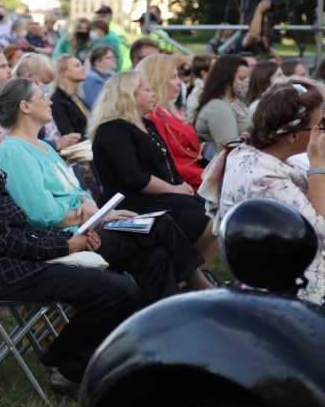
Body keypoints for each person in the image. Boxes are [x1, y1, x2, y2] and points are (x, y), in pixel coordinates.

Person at [0, 93, 139, 396]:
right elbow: (4, 240)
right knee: (119, 290)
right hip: (2, 276)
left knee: (120, 283)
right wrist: (68, 247)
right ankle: (66, 364)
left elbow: (20, 228)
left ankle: (65, 357)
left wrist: (70, 240)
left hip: (14, 265)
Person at [0, 77, 211, 305]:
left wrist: (90, 208)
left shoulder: (44, 146)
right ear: (25, 106)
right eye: (42, 97)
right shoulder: (13, 151)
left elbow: (77, 192)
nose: (49, 103)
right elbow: (41, 212)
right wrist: (97, 216)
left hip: (87, 228)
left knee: (155, 257)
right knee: (159, 224)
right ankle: (201, 287)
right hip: (65, 241)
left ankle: (161, 321)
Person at [202, 82, 325, 304]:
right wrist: (318, 166)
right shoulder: (264, 179)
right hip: (294, 288)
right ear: (293, 137)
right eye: (321, 124)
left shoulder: (247, 151)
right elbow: (317, 234)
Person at [90, 71, 219, 263]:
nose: (154, 95)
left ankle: (188, 278)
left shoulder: (147, 124)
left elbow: (167, 163)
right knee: (209, 222)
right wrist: (174, 189)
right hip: (133, 202)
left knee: (216, 212)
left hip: (161, 196)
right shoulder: (113, 130)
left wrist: (180, 185)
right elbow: (134, 177)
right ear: (129, 94)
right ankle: (184, 275)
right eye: (148, 90)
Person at [139, 53, 205, 188]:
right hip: (187, 183)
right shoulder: (152, 117)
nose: (179, 82)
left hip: (196, 177)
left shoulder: (172, 110)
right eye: (174, 77)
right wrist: (208, 176)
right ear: (158, 80)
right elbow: (168, 163)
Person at [193, 54, 252, 150]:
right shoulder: (218, 107)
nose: (245, 83)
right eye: (241, 79)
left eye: (246, 79)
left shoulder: (236, 101)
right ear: (226, 78)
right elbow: (229, 148)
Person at [50, 54, 90, 139]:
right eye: (77, 66)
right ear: (64, 72)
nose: (83, 68)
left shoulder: (75, 98)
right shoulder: (58, 102)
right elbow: (68, 135)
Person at [81, 44, 119, 109]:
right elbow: (94, 106)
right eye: (109, 58)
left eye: (114, 57)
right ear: (98, 62)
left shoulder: (107, 77)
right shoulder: (90, 79)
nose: (114, 59)